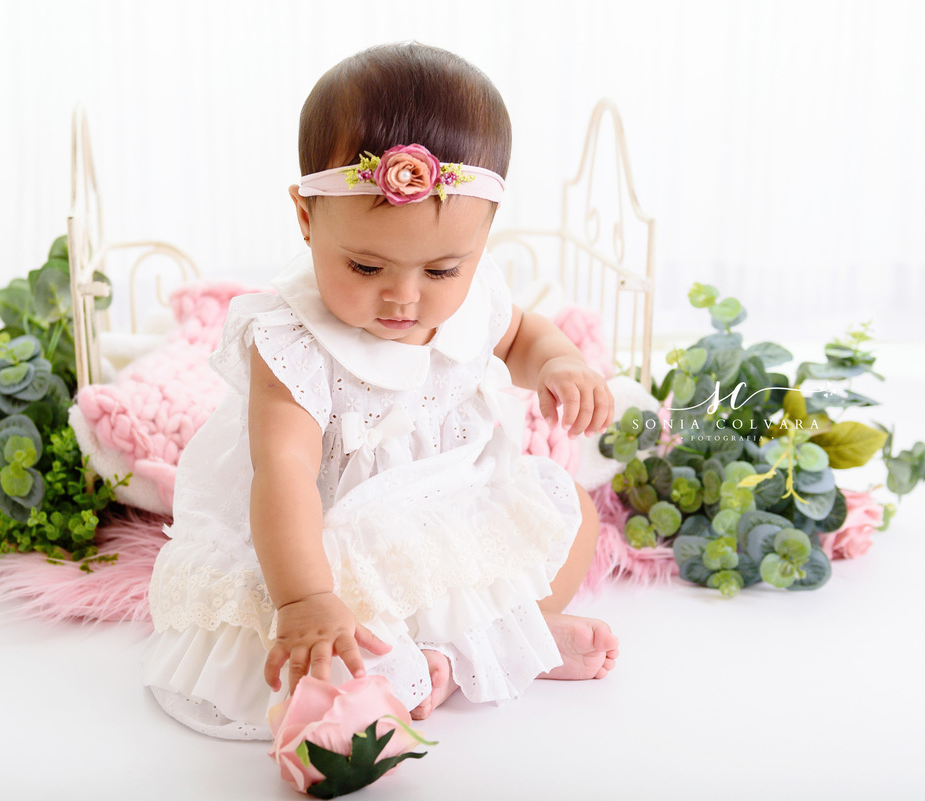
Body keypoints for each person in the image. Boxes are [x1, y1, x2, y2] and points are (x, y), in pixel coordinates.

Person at [141, 41, 620, 741]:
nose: (404, 297)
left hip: (451, 499)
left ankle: (494, 640)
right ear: (307, 217)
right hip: (328, 535)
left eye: (441, 270)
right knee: (351, 639)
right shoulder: (293, 342)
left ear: (484, 237)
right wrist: (303, 598)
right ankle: (441, 658)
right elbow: (284, 471)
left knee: (568, 512)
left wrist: (557, 363)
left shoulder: (474, 295)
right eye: (366, 267)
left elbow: (519, 334)